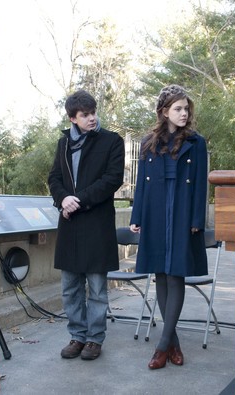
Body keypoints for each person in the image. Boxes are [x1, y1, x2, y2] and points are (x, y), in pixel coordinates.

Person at [130, 85, 208, 369]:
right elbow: (141, 185)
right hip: (155, 211)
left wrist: (197, 220)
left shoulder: (197, 143)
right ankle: (172, 342)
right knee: (160, 275)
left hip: (183, 212)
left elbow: (201, 184)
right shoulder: (148, 142)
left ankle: (162, 346)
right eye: (178, 109)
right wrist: (136, 216)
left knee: (176, 276)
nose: (184, 113)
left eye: (186, 109)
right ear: (164, 112)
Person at [48, 90, 125, 361]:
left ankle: (94, 339)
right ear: (72, 118)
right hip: (69, 225)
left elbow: (112, 179)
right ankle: (77, 336)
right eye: (85, 115)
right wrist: (62, 199)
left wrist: (76, 200)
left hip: (96, 223)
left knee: (97, 289)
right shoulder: (63, 144)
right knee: (70, 287)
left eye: (93, 112)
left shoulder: (112, 141)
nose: (92, 118)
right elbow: (54, 178)